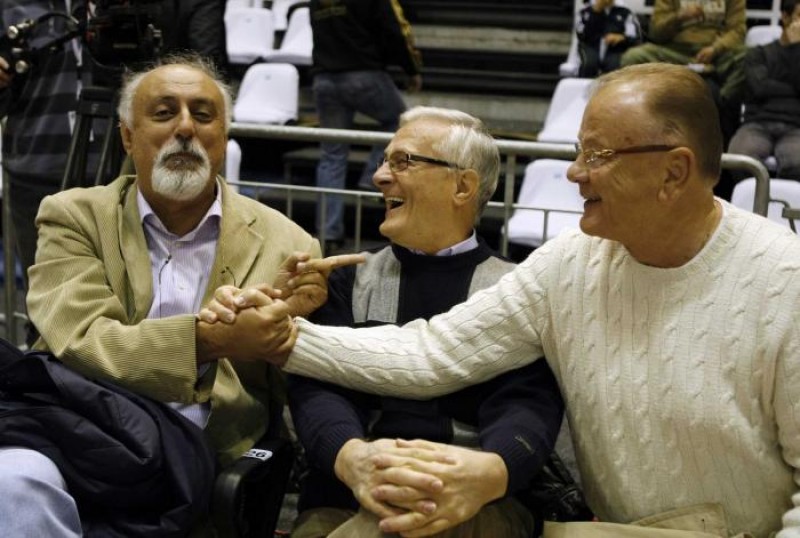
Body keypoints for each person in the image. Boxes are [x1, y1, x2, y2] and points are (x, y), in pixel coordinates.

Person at [221, 63, 800, 537]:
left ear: (673, 172)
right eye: (578, 151)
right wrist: (283, 337)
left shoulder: (785, 281)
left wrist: (493, 470)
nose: (574, 173)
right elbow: (433, 353)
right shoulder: (567, 263)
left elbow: (525, 405)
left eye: (597, 155)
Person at [0, 53, 363, 536]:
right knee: (13, 485)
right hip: (78, 432)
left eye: (203, 115)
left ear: (224, 136)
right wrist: (210, 340)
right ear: (128, 136)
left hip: (202, 456)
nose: (186, 128)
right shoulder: (74, 216)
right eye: (164, 112)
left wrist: (286, 329)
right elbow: (82, 340)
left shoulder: (290, 243)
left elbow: (299, 393)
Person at [287, 106, 565, 538]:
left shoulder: (515, 288)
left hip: (475, 496)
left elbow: (527, 406)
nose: (379, 177)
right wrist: (353, 459)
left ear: (463, 186)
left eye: (403, 162)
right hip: (347, 489)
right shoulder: (345, 278)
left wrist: (474, 475)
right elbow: (318, 391)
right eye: (384, 161)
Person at [0, 0, 228, 345]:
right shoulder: (13, 7)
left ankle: (140, 366)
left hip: (125, 168)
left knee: (129, 300)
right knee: (47, 307)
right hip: (36, 165)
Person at [309, 0, 422, 249]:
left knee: (332, 156)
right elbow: (394, 29)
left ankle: (328, 233)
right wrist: (411, 68)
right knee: (400, 121)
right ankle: (373, 175)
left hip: (324, 77)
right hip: (363, 72)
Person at [620, 0, 747, 151]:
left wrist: (715, 49)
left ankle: (722, 106)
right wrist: (679, 17)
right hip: (676, 52)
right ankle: (636, 119)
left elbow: (738, 31)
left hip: (716, 53)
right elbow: (656, 32)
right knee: (633, 57)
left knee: (747, 57)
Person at [727, 0, 800, 182]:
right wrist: (792, 89)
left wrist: (795, 49)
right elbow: (759, 88)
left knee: (797, 164)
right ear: (785, 17)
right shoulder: (759, 53)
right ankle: (750, 198)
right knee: (739, 158)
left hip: (796, 126)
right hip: (758, 122)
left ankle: (782, 200)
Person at [576, 0, 642, 77]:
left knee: (614, 67)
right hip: (591, 46)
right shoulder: (585, 12)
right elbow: (580, 34)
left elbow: (636, 37)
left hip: (615, 50)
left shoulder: (625, 13)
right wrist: (596, 11)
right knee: (589, 64)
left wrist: (622, 38)